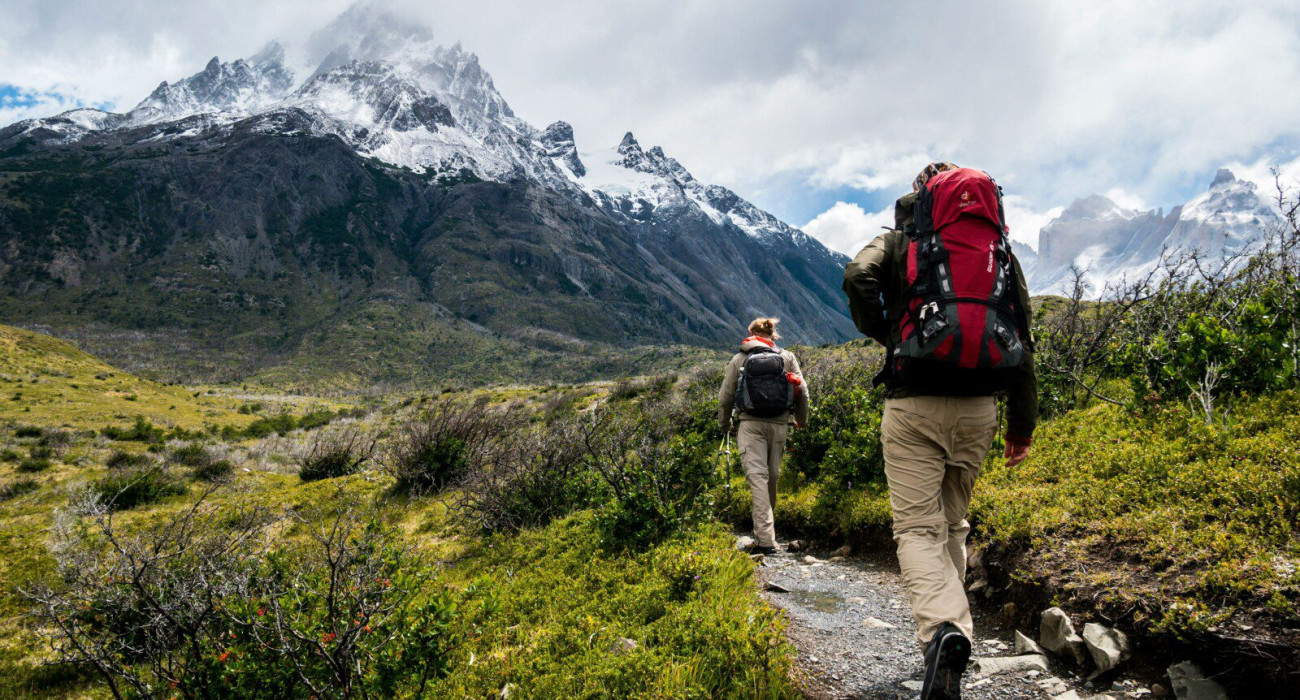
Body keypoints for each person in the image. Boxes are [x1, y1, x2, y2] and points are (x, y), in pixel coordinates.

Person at [842, 162, 1037, 700]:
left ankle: (943, 633)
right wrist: (1021, 425)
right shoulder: (998, 250)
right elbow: (1021, 333)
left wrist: (889, 332)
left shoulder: (902, 240)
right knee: (952, 523)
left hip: (915, 403)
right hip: (981, 409)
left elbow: (856, 276)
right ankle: (958, 636)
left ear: (922, 195)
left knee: (916, 530)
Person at [717, 317, 809, 556]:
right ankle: (767, 533)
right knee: (772, 477)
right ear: (773, 335)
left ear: (750, 334)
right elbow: (803, 391)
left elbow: (725, 397)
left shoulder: (739, 359)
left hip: (750, 424)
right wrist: (802, 420)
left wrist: (725, 424)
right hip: (780, 424)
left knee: (757, 477)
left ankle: (765, 540)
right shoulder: (786, 357)